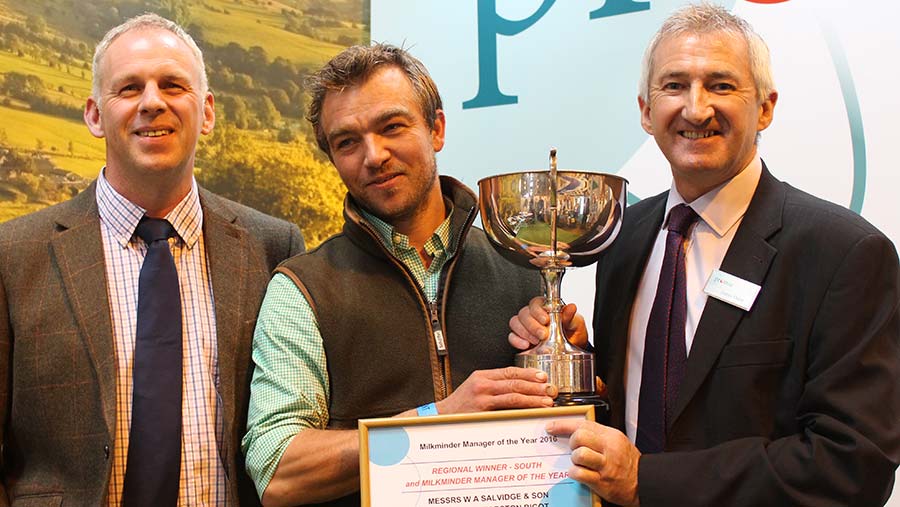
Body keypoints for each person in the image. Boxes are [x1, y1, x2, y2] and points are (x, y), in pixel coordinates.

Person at [510, 4, 900, 506]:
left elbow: (851, 463)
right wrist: (576, 362)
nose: (695, 109)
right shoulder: (623, 237)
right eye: (673, 86)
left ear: (765, 107)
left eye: (720, 85)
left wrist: (646, 481)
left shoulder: (844, 253)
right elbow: (653, 405)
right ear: (646, 113)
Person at [0, 13, 304, 506]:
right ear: (95, 115)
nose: (152, 102)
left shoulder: (272, 246)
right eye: (128, 88)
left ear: (206, 112)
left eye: (172, 84)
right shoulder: (13, 255)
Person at [242, 43, 551, 506]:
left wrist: (578, 363)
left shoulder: (525, 267)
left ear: (436, 128)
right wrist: (437, 421)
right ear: (333, 159)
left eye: (392, 127)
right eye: (348, 141)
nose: (375, 155)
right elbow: (277, 468)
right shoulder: (302, 288)